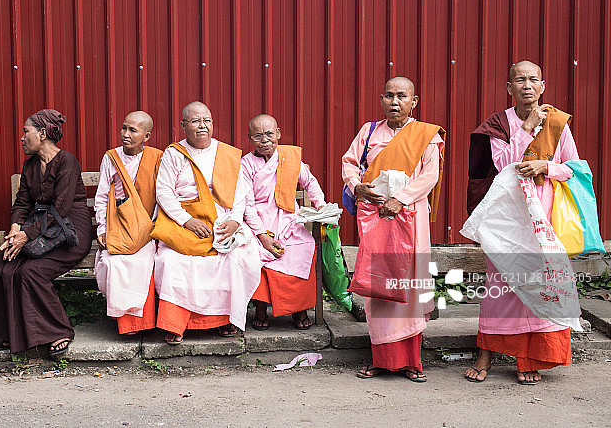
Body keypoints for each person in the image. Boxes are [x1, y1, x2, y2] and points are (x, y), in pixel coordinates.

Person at [465, 60, 577, 385]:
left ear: (542, 86)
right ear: (509, 88)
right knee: (501, 288)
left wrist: (548, 167)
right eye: (519, 80)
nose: (526, 85)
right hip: (507, 221)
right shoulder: (499, 125)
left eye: (533, 79)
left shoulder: (557, 124)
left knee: (540, 285)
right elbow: (503, 168)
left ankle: (528, 358)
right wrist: (527, 127)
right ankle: (485, 352)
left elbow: (574, 169)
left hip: (544, 219)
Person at [342, 77, 445, 383]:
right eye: (389, 95)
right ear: (382, 99)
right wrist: (358, 186)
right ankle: (381, 359)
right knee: (380, 283)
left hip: (410, 216)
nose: (395, 101)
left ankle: (412, 361)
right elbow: (349, 163)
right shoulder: (368, 131)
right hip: (376, 216)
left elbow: (430, 175)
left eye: (402, 96)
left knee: (409, 283)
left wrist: (400, 199)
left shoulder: (426, 135)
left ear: (414, 102)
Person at [0, 110, 92, 356]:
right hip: (39, 230)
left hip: (69, 232)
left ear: (42, 134)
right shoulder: (30, 165)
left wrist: (26, 235)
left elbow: (60, 209)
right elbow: (22, 203)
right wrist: (16, 227)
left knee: (30, 272)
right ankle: (10, 331)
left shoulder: (67, 161)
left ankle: (57, 331)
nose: (21, 138)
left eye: (25, 132)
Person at [151, 101, 262, 345]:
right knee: (172, 260)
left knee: (234, 258)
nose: (203, 126)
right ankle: (176, 324)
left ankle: (223, 321)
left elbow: (239, 194)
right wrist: (186, 220)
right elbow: (164, 193)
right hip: (182, 219)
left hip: (220, 219)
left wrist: (234, 221)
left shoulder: (228, 153)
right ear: (183, 126)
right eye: (195, 121)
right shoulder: (173, 154)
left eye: (207, 121)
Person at [240, 114, 325, 330]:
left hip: (289, 219)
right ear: (250, 138)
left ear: (278, 134)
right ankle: (261, 308)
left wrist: (322, 206)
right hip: (258, 222)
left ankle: (299, 309)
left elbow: (310, 183)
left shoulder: (290, 157)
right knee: (252, 250)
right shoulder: (246, 164)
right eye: (258, 136)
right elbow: (247, 205)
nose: (264, 140)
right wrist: (262, 235)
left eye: (269, 134)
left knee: (304, 246)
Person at [94, 111, 162, 335]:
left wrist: (152, 229)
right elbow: (103, 196)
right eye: (124, 128)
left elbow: (162, 197)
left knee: (145, 261)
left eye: (132, 130)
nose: (125, 134)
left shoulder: (157, 158)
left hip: (147, 229)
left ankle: (145, 322)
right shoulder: (111, 158)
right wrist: (102, 228)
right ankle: (127, 325)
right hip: (118, 228)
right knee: (115, 262)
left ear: (146, 136)